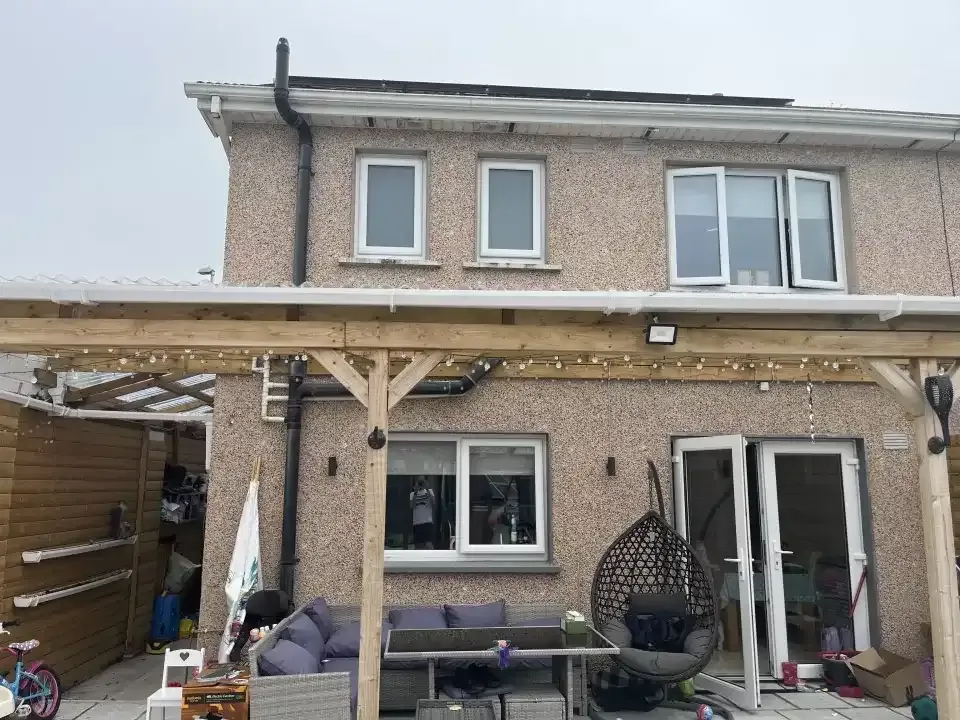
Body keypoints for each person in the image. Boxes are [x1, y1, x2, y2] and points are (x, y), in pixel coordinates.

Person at [410, 477, 436, 549]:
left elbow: (433, 503)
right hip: (417, 523)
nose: (420, 484)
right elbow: (412, 506)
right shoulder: (412, 494)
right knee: (418, 545)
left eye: (422, 482)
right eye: (419, 483)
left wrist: (427, 488)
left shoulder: (430, 491)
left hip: (427, 522)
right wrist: (415, 491)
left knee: (429, 544)